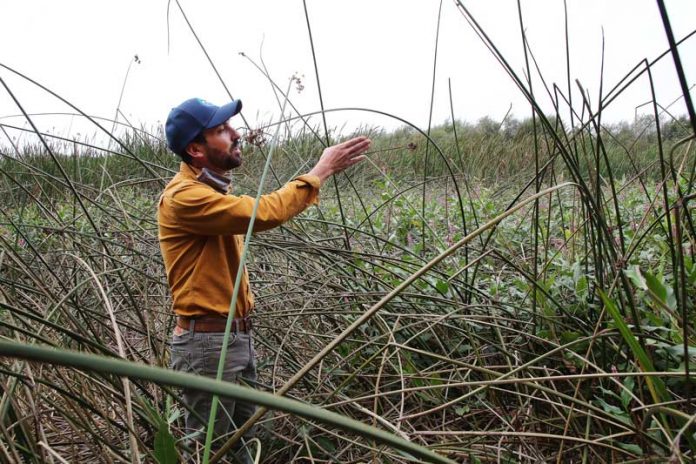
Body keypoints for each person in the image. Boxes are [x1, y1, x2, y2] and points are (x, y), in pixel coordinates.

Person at [158, 97, 370, 462]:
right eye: (221, 130)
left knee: (246, 442)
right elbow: (266, 212)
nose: (236, 133)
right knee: (207, 450)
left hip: (233, 338)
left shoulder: (211, 191)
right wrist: (320, 170)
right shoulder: (185, 198)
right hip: (207, 346)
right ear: (195, 149)